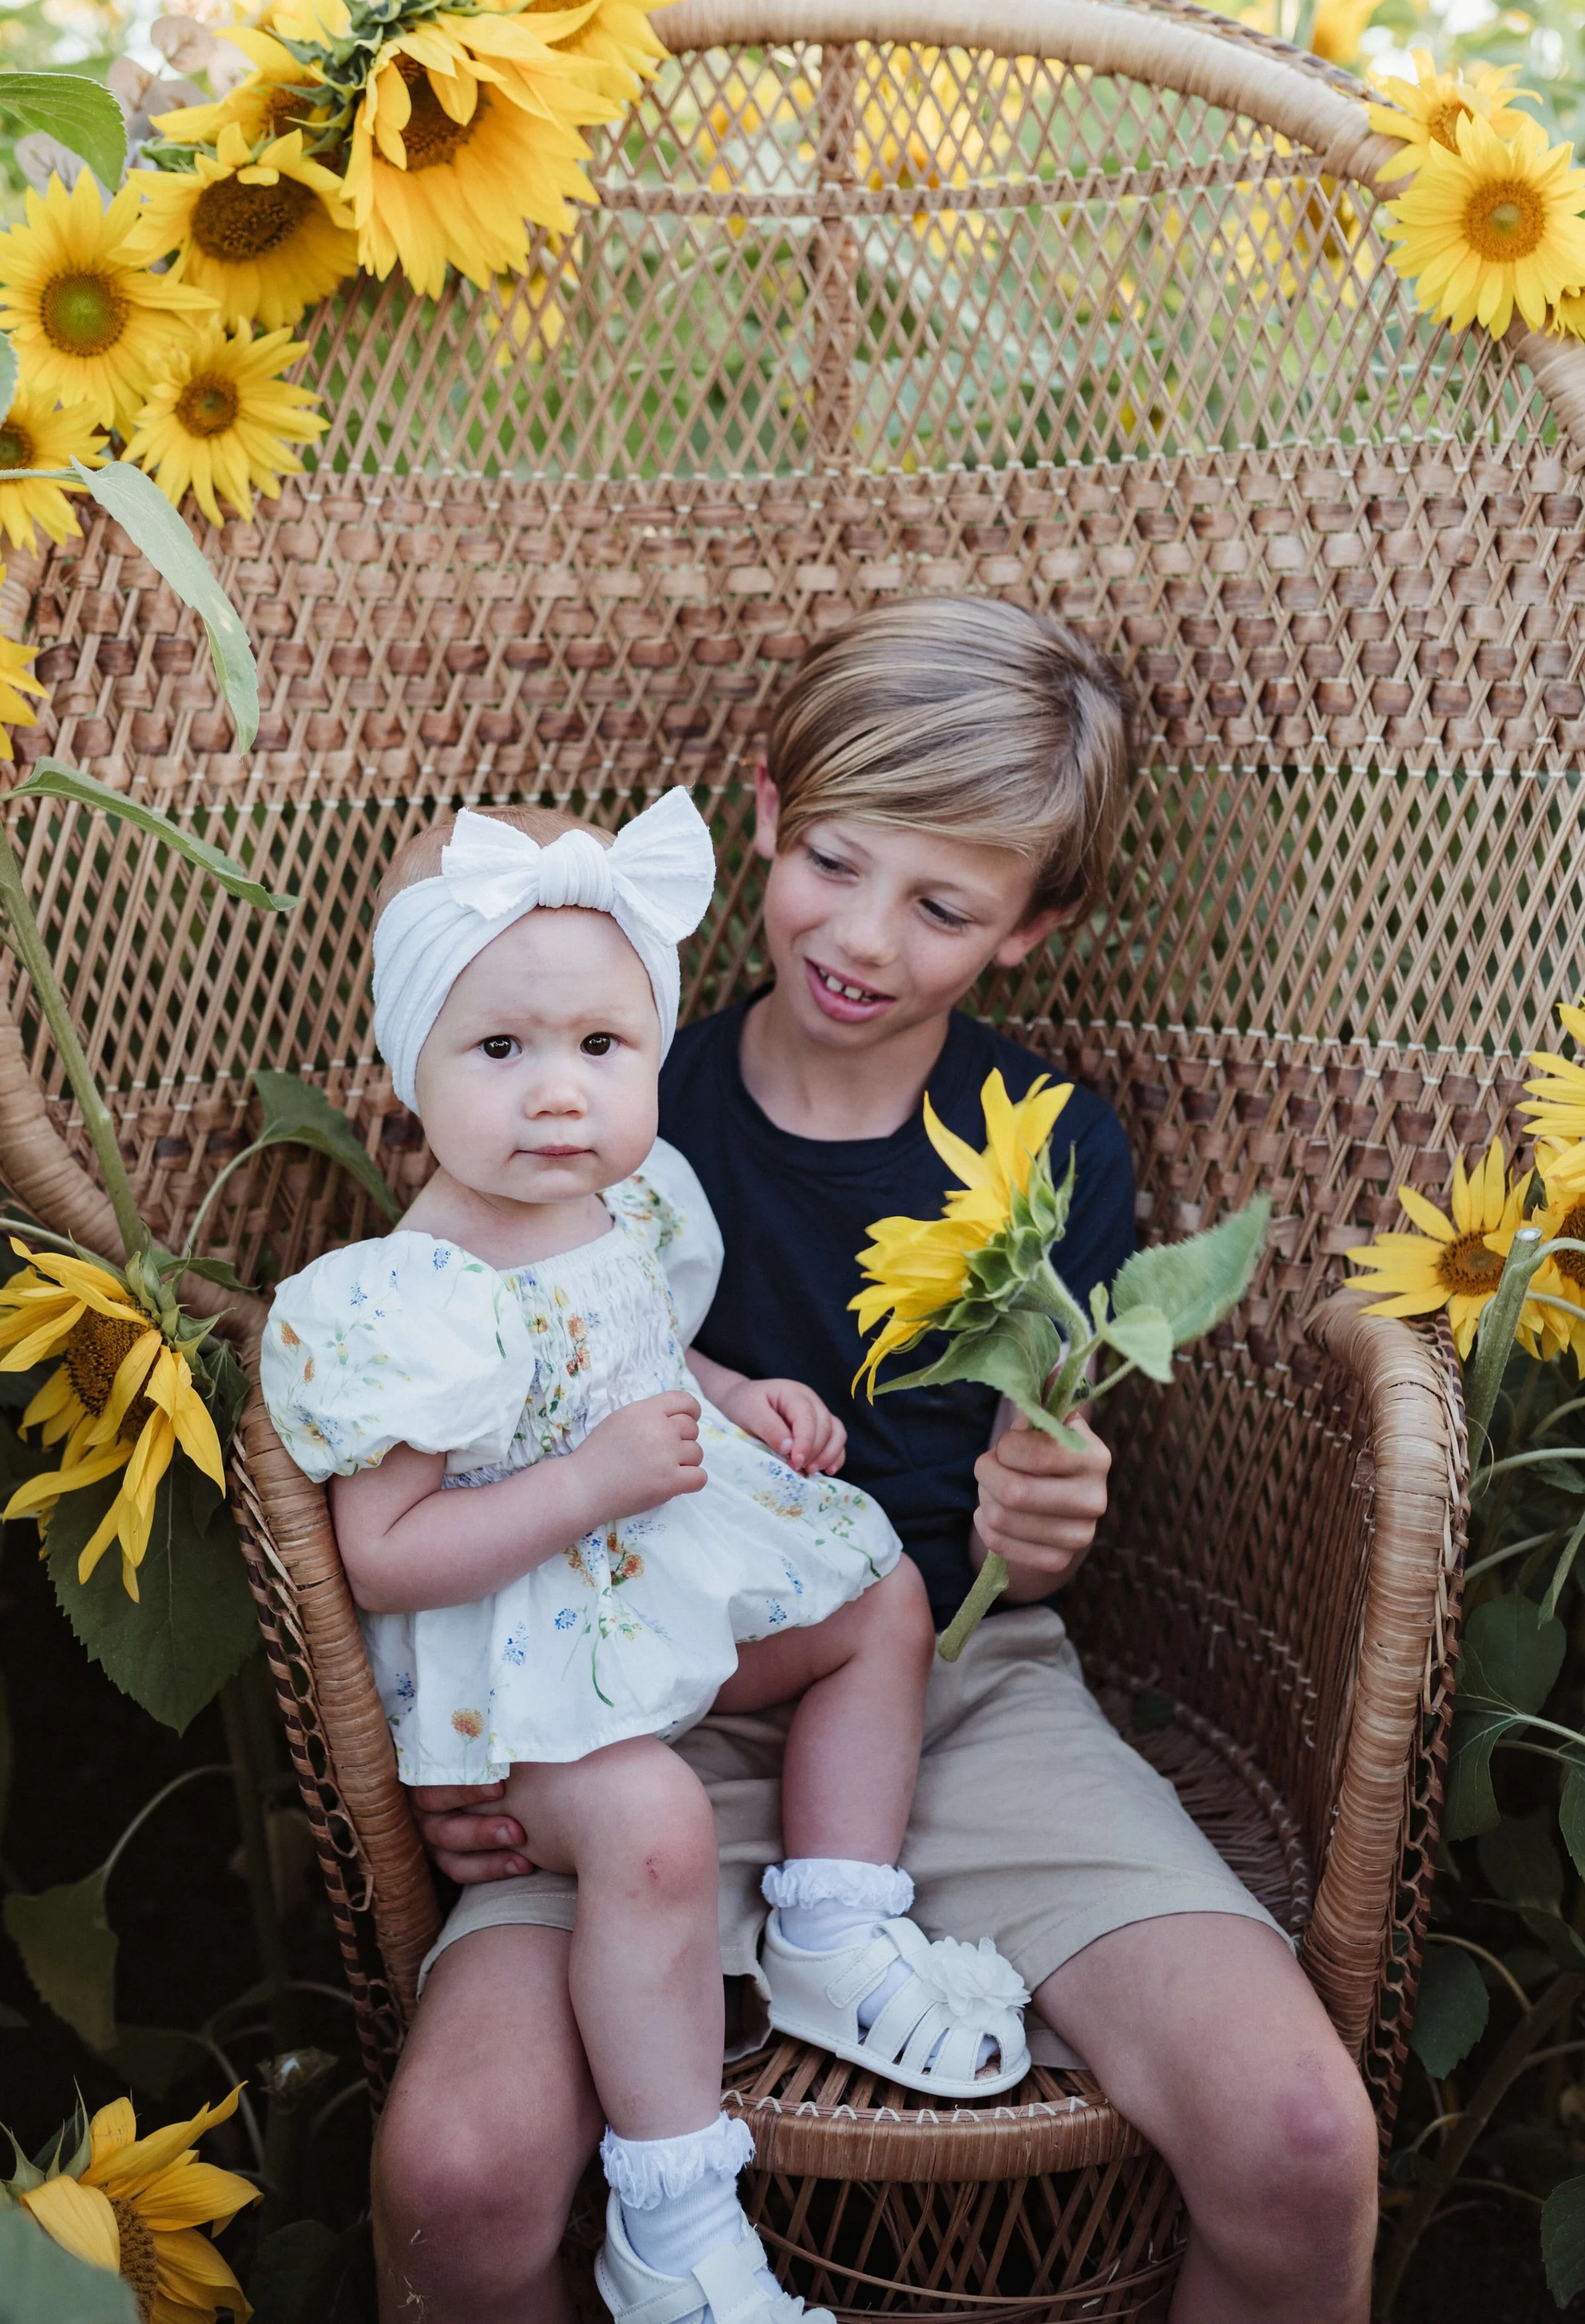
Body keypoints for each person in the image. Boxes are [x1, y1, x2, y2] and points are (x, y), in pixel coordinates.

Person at [380, 599, 1380, 2324]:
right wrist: (461, 1726)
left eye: (941, 903)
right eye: (834, 859)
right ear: (762, 809)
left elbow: (1025, 1486)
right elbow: (443, 1396)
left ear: (1029, 925)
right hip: (620, 1704)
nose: (859, 935)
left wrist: (1047, 1514)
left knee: (1298, 2136)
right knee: (455, 2179)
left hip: (954, 1686)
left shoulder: (1046, 1143)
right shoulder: (608, 1100)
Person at [261, 785, 1035, 2324]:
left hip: (647, 1591)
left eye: (601, 1050)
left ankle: (830, 1914)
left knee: (881, 1595)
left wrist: (734, 1397)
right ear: (407, 1068)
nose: (558, 1095)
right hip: (525, 1682)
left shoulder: (625, 1205)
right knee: (659, 1827)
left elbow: (639, 1352)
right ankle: (675, 2215)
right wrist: (592, 1483)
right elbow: (385, 1558)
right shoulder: (415, 1301)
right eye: (501, 1050)